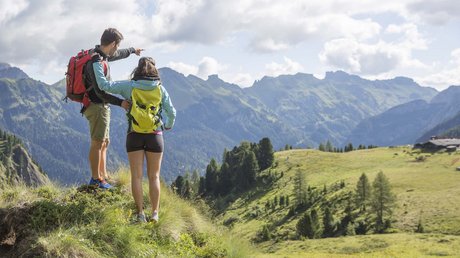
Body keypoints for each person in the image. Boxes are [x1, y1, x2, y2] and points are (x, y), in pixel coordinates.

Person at [91, 56, 176, 222]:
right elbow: (171, 112)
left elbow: (104, 85)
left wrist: (96, 64)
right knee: (154, 177)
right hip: (155, 136)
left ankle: (140, 214)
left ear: (137, 70)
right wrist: (167, 125)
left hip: (134, 135)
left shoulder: (129, 86)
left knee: (136, 176)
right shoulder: (160, 89)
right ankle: (155, 214)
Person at [83, 28, 144, 189]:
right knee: (97, 142)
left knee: (104, 142)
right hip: (96, 106)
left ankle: (103, 175)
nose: (117, 49)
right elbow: (100, 90)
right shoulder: (95, 61)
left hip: (101, 106)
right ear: (111, 44)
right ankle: (96, 179)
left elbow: (119, 54)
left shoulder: (103, 55)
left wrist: (132, 51)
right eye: (117, 45)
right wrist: (120, 103)